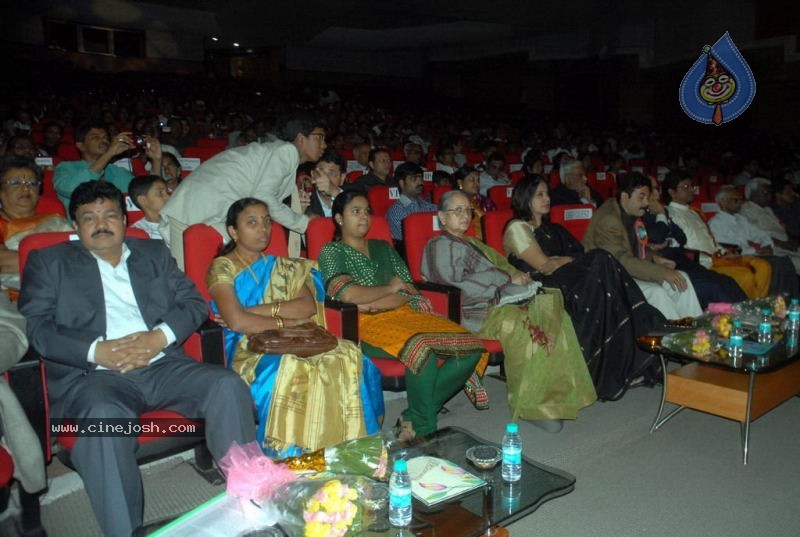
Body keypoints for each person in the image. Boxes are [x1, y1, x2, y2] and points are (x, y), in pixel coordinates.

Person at [18, 181, 256, 537]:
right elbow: (36, 328)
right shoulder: (50, 262)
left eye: (110, 214)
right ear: (76, 226)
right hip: (95, 378)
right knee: (102, 419)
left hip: (162, 364)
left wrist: (157, 337)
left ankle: (250, 500)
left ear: (124, 221)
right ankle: (124, 530)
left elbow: (192, 303)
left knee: (226, 385)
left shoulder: (154, 254)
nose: (101, 224)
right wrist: (96, 350)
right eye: (89, 217)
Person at [207, 198, 383, 457]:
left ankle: (345, 449)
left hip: (293, 336)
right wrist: (284, 320)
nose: (263, 228)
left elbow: (306, 308)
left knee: (348, 355)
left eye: (267, 221)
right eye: (252, 222)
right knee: (293, 369)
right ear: (233, 231)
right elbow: (237, 322)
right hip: (249, 345)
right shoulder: (222, 267)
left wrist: (254, 311)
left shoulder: (285, 267)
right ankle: (290, 457)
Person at [421, 190, 596, 430]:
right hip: (472, 310)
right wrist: (505, 281)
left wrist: (515, 276)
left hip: (500, 299)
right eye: (457, 210)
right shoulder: (437, 245)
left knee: (553, 314)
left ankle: (557, 395)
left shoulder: (472, 243)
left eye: (467, 210)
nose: (464, 215)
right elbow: (449, 284)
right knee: (525, 326)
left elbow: (501, 267)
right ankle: (533, 405)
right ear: (442, 217)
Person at [318, 191, 487, 439]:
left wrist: (376, 299)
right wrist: (388, 289)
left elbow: (408, 289)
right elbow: (347, 294)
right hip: (364, 323)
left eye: (366, 211)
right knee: (422, 352)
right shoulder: (332, 252)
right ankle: (424, 431)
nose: (363, 217)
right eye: (355, 211)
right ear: (339, 219)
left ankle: (413, 416)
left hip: (406, 314)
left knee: (472, 349)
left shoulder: (383, 247)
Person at [503, 175, 666, 399]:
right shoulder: (517, 228)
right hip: (543, 286)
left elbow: (579, 256)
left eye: (547, 193)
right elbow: (545, 266)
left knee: (603, 268)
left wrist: (566, 260)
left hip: (570, 279)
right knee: (601, 259)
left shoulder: (555, 228)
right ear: (525, 198)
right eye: (539, 194)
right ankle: (646, 329)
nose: (546, 198)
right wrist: (566, 260)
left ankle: (628, 363)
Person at [160, 112, 327, 265]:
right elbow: (264, 198)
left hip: (208, 211)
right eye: (320, 137)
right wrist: (303, 222)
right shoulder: (287, 151)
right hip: (195, 208)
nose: (324, 145)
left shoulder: (281, 153)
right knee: (186, 283)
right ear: (300, 138)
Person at [583, 171, 703, 320]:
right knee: (656, 291)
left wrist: (655, 259)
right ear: (626, 196)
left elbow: (634, 246)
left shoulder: (630, 211)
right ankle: (671, 336)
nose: (647, 202)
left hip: (627, 270)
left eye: (647, 197)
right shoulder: (609, 220)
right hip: (609, 276)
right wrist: (662, 272)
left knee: (681, 278)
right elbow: (620, 260)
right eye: (642, 197)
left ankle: (695, 329)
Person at [662, 170, 773, 298]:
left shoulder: (694, 213)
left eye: (691, 186)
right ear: (672, 192)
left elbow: (711, 241)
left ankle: (756, 303)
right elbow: (681, 246)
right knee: (745, 275)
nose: (691, 190)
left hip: (718, 256)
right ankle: (748, 308)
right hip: (704, 263)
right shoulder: (670, 214)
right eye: (686, 187)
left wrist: (725, 252)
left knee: (763, 266)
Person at [644, 175, 746, 308]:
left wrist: (665, 231)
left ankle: (748, 316)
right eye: (654, 189)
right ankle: (732, 322)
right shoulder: (643, 215)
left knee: (727, 281)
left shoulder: (659, 212)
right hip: (667, 263)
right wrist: (662, 215)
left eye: (658, 189)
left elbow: (681, 238)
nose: (658, 193)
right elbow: (657, 236)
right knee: (714, 288)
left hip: (680, 259)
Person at [53, 121, 162, 213]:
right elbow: (72, 188)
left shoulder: (118, 172)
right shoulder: (66, 167)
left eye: (105, 138)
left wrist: (156, 161)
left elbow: (146, 195)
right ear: (80, 145)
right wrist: (109, 154)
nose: (104, 141)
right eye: (96, 137)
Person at [709, 185, 799, 295]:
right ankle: (774, 300)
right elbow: (727, 248)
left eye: (741, 199)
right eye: (736, 200)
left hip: (751, 253)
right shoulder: (715, 223)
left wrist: (766, 244)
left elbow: (759, 233)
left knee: (784, 262)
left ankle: (788, 300)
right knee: (778, 263)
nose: (740, 203)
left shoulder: (740, 219)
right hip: (737, 257)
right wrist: (756, 251)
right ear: (723, 202)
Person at [0, 156, 71, 291]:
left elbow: (77, 255)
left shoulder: (56, 222)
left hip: (58, 290)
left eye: (32, 183)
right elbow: (3, 262)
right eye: (15, 182)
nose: (26, 188)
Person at [740, 177, 800, 271]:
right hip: (772, 250)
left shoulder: (767, 209)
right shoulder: (746, 210)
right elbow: (753, 236)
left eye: (769, 192)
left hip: (786, 246)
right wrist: (782, 244)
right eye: (764, 192)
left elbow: (780, 229)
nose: (769, 196)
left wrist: (790, 240)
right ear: (752, 194)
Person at [385, 162, 437, 244]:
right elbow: (408, 244)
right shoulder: (396, 212)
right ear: (402, 183)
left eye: (421, 178)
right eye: (414, 179)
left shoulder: (432, 207)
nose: (420, 182)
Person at [452, 165, 496, 240]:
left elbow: (494, 224)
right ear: (460, 182)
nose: (476, 184)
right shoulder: (452, 203)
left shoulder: (486, 202)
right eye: (471, 180)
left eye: (478, 180)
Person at [128, 174, 170, 239]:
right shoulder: (138, 232)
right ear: (142, 200)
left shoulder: (176, 220)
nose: (168, 197)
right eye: (160, 193)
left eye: (167, 192)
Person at [307, 148, 346, 218]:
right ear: (313, 175)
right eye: (320, 172)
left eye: (332, 174)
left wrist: (334, 191)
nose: (326, 178)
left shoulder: (354, 195)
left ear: (342, 178)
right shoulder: (305, 201)